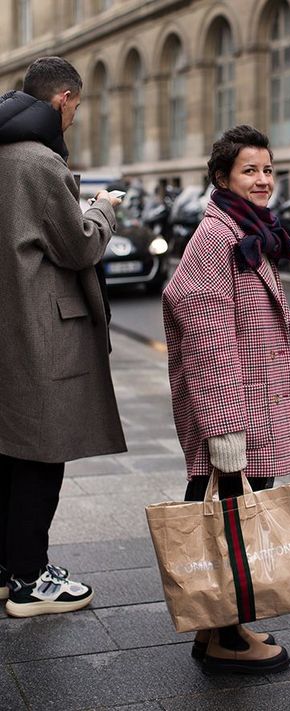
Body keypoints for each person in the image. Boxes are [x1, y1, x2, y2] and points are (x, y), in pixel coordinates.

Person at [162, 125, 290, 675]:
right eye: (250, 170)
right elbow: (197, 316)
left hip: (254, 408)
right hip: (237, 415)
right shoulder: (218, 235)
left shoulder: (247, 229)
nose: (263, 180)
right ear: (222, 177)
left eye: (268, 169)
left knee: (228, 518)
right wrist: (223, 427)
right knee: (227, 521)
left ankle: (219, 625)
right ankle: (224, 636)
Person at [0, 56, 126, 618]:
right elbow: (77, 246)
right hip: (37, 329)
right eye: (77, 105)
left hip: (7, 326)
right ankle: (30, 579)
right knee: (42, 453)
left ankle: (6, 569)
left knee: (8, 450)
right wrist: (101, 210)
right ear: (62, 101)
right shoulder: (36, 162)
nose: (75, 115)